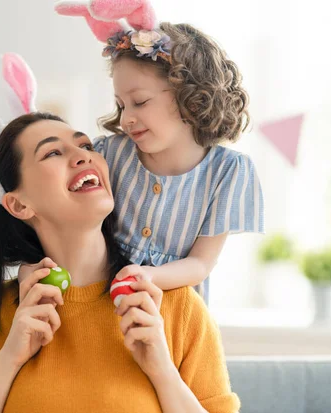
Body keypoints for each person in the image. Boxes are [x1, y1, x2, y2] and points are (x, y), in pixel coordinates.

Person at [0, 71, 240, 411]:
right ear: (18, 204)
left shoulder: (173, 307)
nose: (84, 155)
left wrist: (162, 370)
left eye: (85, 145)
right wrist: (8, 360)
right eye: (52, 153)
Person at [53, 0, 265, 302]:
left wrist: (147, 277)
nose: (126, 118)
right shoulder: (110, 156)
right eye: (121, 105)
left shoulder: (227, 172)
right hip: (100, 305)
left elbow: (200, 263)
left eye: (139, 102)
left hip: (172, 316)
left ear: (191, 98)